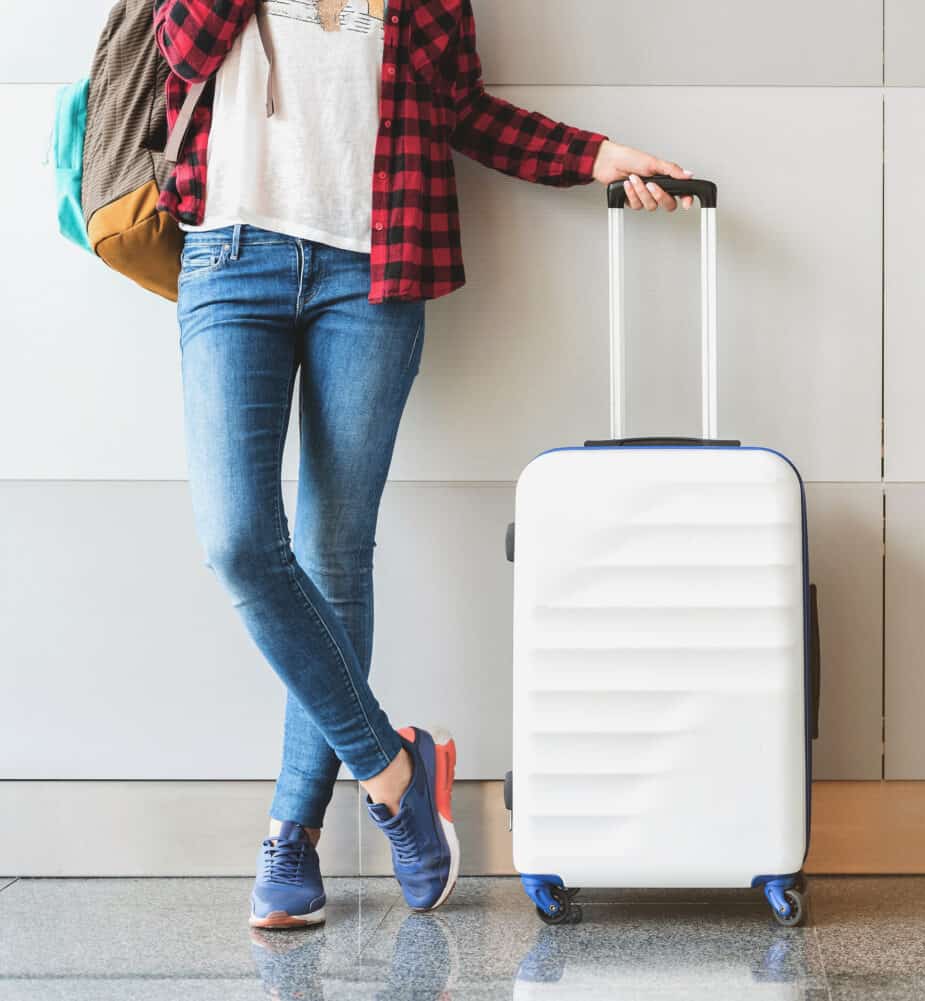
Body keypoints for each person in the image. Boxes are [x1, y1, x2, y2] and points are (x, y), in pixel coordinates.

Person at [154, 0, 692, 929]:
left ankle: (293, 831)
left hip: (373, 272)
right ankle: (394, 770)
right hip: (230, 255)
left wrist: (593, 156)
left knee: (334, 552)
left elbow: (463, 111)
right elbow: (183, 45)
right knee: (240, 541)